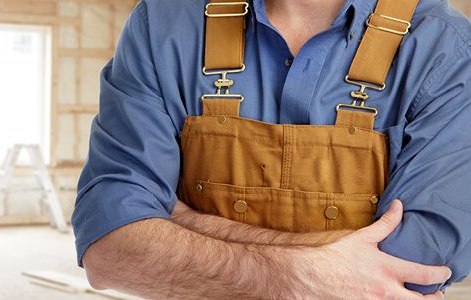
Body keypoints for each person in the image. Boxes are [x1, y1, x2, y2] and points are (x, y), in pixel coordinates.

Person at [71, 0, 471, 298]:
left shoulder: (446, 49)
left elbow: (410, 269)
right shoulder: (163, 26)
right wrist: (298, 275)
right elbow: (109, 247)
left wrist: (182, 221)